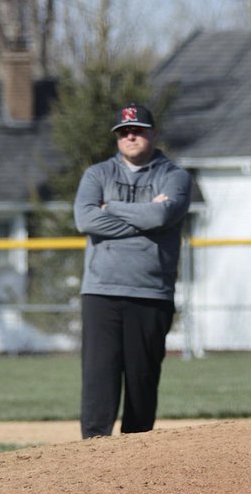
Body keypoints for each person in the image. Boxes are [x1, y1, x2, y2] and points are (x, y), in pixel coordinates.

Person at [73, 103, 192, 438]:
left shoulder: (174, 175)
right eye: (124, 131)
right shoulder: (97, 174)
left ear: (152, 134)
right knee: (99, 379)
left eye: (138, 130)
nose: (130, 135)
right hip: (101, 291)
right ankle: (93, 454)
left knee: (142, 381)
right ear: (117, 138)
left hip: (151, 293)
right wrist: (145, 219)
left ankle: (135, 455)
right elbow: (85, 219)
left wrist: (110, 209)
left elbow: (161, 217)